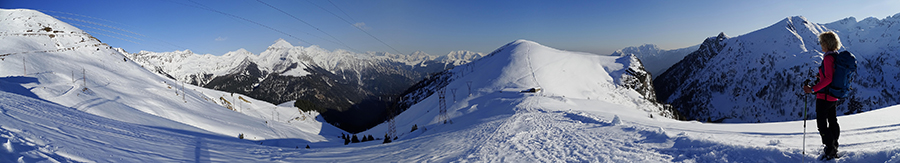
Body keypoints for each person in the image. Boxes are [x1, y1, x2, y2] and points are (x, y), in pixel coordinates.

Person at [803, 31, 842, 159]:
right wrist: (821, 76)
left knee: (822, 124)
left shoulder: (828, 57)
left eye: (821, 42)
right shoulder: (836, 56)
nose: (820, 45)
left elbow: (829, 79)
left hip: (824, 97)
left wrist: (813, 89)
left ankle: (830, 149)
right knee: (832, 121)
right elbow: (832, 75)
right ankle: (834, 146)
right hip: (833, 96)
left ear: (826, 43)